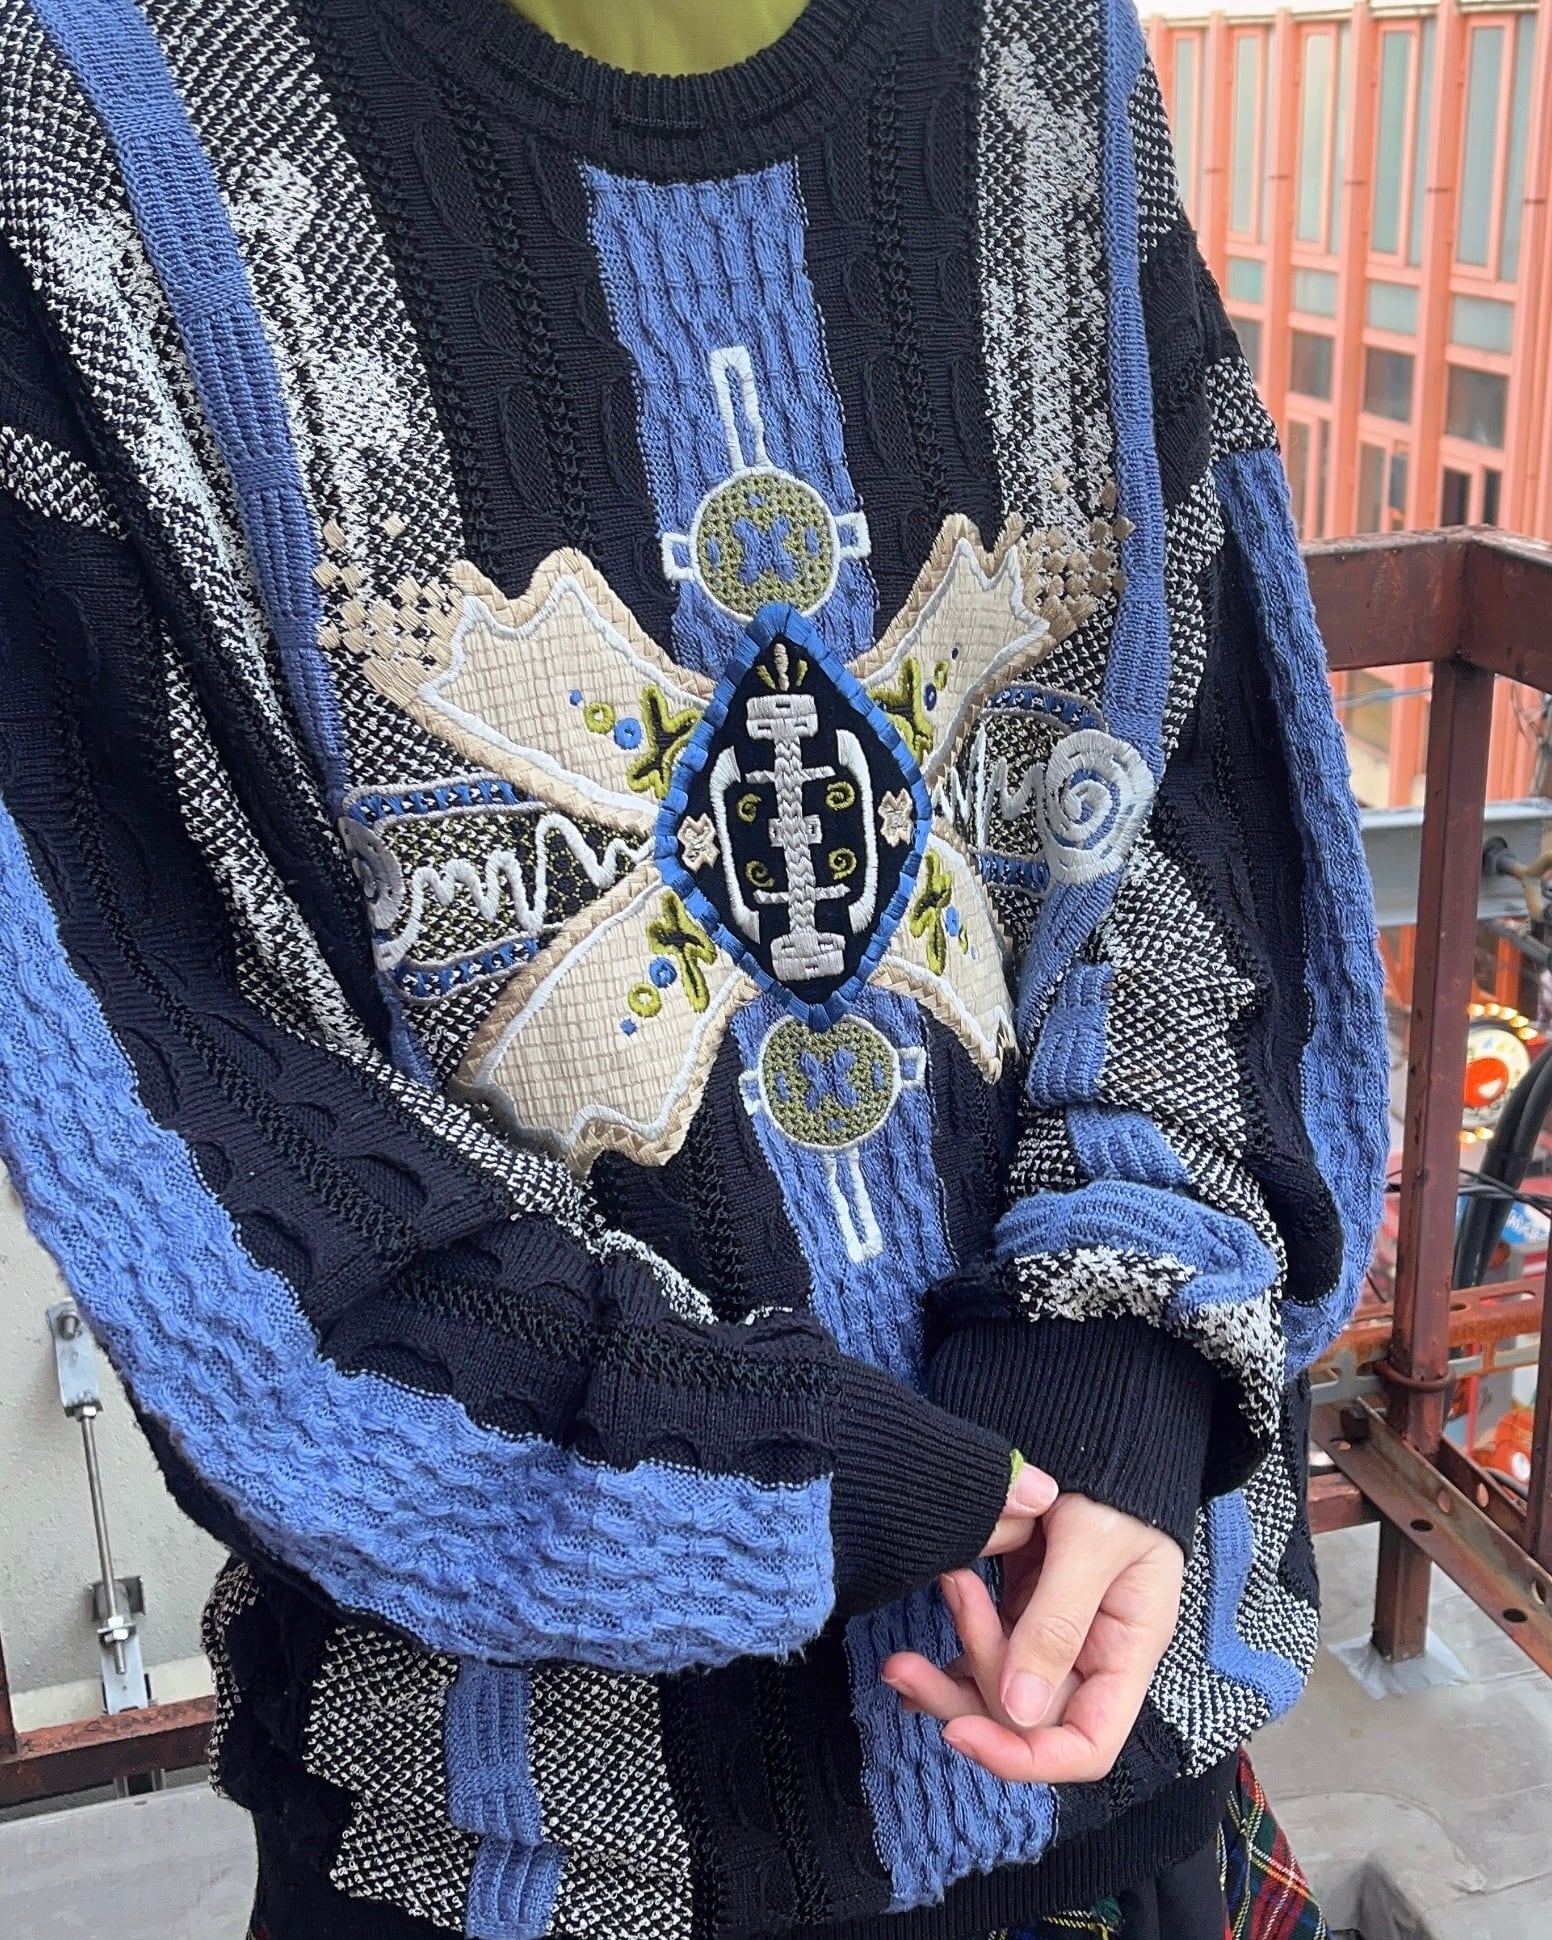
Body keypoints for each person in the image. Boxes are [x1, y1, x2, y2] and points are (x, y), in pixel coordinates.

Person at [0, 0, 1387, 1935]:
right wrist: (797, 1470)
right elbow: (165, 1071)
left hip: (1129, 1742)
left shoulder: (1048, 50)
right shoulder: (91, 107)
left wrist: (1119, 1352)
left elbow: (1194, 789)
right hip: (525, 1848)